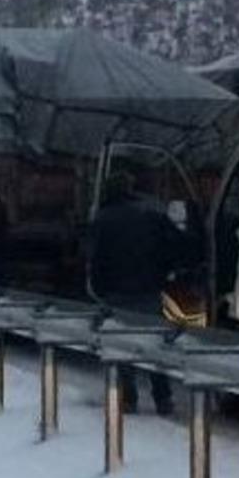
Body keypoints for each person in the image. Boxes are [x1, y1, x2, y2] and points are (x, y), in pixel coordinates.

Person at [89, 170, 200, 416]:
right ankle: (163, 398)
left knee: (121, 345)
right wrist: (170, 272)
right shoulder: (150, 215)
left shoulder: (102, 219)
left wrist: (98, 289)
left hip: (116, 293)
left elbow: (95, 260)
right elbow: (176, 245)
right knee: (154, 344)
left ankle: (128, 397)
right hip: (149, 289)